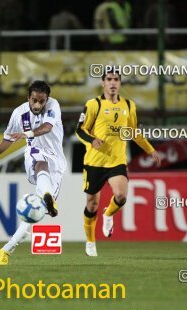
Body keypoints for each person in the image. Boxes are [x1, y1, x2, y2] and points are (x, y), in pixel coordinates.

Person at [0, 81, 66, 265]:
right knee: (39, 161)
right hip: (34, 153)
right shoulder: (18, 113)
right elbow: (8, 139)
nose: (38, 105)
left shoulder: (53, 105)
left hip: (56, 160)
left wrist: (27, 134)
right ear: (28, 98)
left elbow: (47, 128)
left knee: (34, 213)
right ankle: (48, 194)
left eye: (42, 101)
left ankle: (6, 249)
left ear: (46, 99)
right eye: (35, 100)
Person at [75, 68, 160, 256]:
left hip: (117, 161)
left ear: (120, 83)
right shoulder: (93, 104)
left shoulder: (129, 106)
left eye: (116, 79)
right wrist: (92, 140)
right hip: (94, 162)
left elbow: (134, 132)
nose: (112, 83)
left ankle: (108, 215)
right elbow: (80, 130)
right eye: (109, 79)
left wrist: (150, 149)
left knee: (121, 196)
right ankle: (90, 242)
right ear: (102, 83)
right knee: (91, 205)